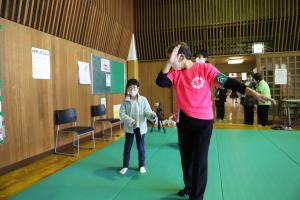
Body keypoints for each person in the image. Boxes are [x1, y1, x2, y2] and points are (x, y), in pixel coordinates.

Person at [156, 43, 276, 200]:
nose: (171, 62)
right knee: (186, 158)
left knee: (200, 160)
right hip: (184, 120)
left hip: (203, 122)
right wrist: (169, 63)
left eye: (172, 58)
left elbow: (229, 82)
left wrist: (253, 93)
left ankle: (197, 197)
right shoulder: (175, 72)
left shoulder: (205, 68)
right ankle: (189, 186)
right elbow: (161, 81)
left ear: (181, 57)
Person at [119, 79, 157, 175]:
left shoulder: (143, 99)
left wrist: (152, 115)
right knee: (127, 148)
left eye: (134, 87)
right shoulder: (125, 101)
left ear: (138, 88)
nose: (132, 89)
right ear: (127, 89)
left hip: (140, 128)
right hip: (130, 128)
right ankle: (125, 166)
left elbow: (147, 112)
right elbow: (122, 114)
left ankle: (141, 165)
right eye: (130, 87)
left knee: (141, 148)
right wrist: (130, 121)